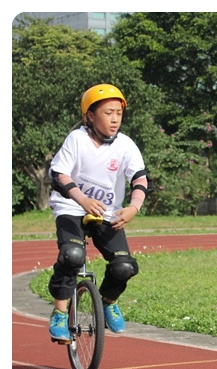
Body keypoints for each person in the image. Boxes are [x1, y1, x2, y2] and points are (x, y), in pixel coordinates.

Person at [46, 84, 148, 343]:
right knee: (72, 255)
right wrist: (82, 199)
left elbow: (140, 179)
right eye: (108, 112)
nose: (115, 119)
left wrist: (134, 207)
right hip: (71, 208)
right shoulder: (77, 139)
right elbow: (59, 174)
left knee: (124, 266)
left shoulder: (125, 145)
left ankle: (107, 302)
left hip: (107, 213)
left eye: (119, 113)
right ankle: (59, 313)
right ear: (89, 116)